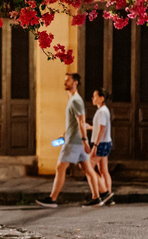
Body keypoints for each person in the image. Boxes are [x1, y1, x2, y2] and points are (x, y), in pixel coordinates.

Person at [36, 73, 102, 208]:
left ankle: (52, 198)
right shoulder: (72, 99)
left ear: (75, 82)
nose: (65, 82)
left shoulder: (76, 101)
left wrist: (84, 140)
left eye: (68, 80)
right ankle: (97, 197)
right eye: (65, 80)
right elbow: (74, 122)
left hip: (74, 142)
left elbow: (81, 121)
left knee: (60, 168)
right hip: (74, 139)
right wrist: (67, 133)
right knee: (88, 169)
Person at [87, 87, 114, 205]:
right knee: (103, 170)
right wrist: (91, 127)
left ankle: (103, 193)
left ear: (102, 98)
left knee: (88, 166)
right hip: (106, 142)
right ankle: (109, 196)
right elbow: (101, 127)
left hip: (101, 144)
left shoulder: (102, 111)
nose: (93, 98)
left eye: (95, 96)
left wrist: (95, 146)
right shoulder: (103, 110)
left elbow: (102, 129)